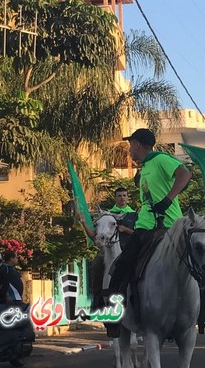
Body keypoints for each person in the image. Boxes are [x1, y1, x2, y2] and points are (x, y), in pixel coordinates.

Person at [109, 128, 191, 294]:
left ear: (137, 144)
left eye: (130, 144)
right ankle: (120, 306)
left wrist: (167, 200)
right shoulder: (145, 166)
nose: (129, 149)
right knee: (124, 264)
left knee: (194, 263)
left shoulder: (160, 159)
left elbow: (185, 174)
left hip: (168, 224)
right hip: (145, 223)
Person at [79, 187, 138, 305]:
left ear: (128, 197)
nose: (122, 198)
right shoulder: (107, 215)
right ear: (115, 198)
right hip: (108, 250)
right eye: (119, 195)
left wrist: (125, 229)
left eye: (124, 195)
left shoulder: (134, 215)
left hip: (128, 249)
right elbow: (94, 236)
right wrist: (84, 222)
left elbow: (138, 234)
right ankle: (97, 299)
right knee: (96, 265)